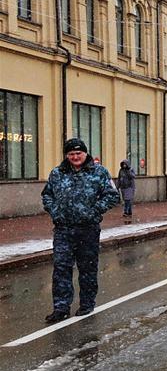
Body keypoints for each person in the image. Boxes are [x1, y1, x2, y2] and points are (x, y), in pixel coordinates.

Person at [41, 138, 121, 323]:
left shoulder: (99, 172)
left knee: (87, 268)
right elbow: (47, 195)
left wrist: (94, 210)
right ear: (66, 155)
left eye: (78, 153)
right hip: (63, 229)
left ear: (85, 153)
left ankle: (86, 303)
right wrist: (54, 211)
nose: (75, 157)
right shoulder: (57, 173)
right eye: (71, 154)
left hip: (88, 229)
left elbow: (112, 196)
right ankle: (61, 307)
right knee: (61, 268)